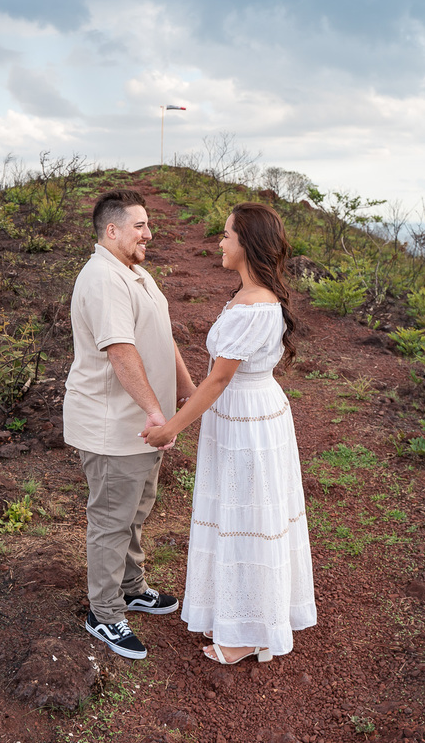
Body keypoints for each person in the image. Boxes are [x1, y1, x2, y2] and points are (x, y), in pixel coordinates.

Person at [142, 202, 316, 665]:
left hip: (246, 416)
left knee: (247, 515)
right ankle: (242, 618)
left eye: (226, 235)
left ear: (247, 244)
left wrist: (171, 428)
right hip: (251, 411)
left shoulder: (253, 306)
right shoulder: (254, 297)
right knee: (245, 510)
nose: (219, 242)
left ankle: (248, 634)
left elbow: (219, 379)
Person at [63, 188, 196, 659]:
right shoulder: (103, 278)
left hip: (140, 424)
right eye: (140, 226)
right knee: (112, 520)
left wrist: (185, 390)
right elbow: (120, 350)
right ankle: (104, 612)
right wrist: (156, 412)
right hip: (114, 426)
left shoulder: (136, 273)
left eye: (148, 225)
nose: (148, 234)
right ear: (112, 230)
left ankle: (131, 586)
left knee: (136, 510)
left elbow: (162, 336)